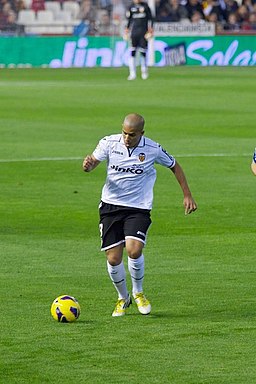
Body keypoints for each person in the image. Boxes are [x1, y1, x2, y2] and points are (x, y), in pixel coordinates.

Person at [82, 113, 197, 317]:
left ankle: (138, 292)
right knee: (114, 258)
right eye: (125, 133)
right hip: (110, 206)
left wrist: (187, 194)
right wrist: (89, 166)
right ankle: (123, 298)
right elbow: (94, 161)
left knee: (134, 250)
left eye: (132, 135)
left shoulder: (152, 148)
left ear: (141, 133)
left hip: (138, 207)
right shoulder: (108, 143)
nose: (127, 137)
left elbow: (174, 165)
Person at [124, 0, 153, 80]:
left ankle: (144, 71)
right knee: (132, 52)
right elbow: (129, 20)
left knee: (143, 52)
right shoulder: (131, 7)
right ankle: (132, 73)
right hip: (134, 33)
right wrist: (127, 30)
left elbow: (151, 19)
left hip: (143, 33)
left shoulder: (145, 6)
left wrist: (150, 30)